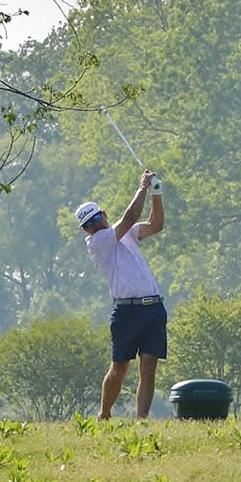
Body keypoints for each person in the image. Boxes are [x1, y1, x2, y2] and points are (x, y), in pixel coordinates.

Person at [76, 169, 166, 420]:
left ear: (103, 214)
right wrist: (142, 187)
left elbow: (155, 225)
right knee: (120, 367)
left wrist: (156, 193)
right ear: (85, 230)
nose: (94, 225)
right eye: (88, 225)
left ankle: (142, 420)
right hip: (126, 311)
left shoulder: (125, 233)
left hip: (153, 307)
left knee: (148, 369)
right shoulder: (97, 242)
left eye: (96, 218)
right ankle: (104, 414)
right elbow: (130, 217)